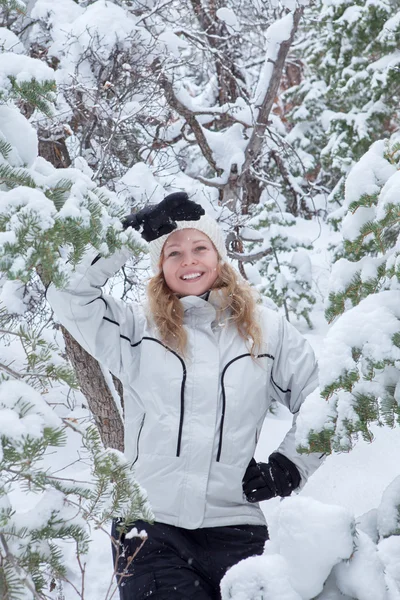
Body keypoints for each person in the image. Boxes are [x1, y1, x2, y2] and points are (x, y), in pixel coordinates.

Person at [46, 192, 323, 600]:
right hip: (151, 529)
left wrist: (290, 466)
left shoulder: (267, 331)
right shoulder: (137, 330)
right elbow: (68, 295)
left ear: (219, 256)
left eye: (200, 248)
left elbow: (324, 400)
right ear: (160, 265)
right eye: (172, 252)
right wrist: (129, 235)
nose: (188, 260)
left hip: (239, 529)